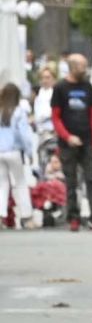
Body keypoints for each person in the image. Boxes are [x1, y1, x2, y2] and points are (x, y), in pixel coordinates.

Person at [51, 54, 92, 232]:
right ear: (72, 66)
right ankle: (73, 216)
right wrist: (67, 137)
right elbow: (56, 117)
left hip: (87, 141)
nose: (85, 69)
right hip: (68, 144)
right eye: (82, 66)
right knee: (71, 181)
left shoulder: (87, 86)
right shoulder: (60, 87)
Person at [0, 84, 35, 228]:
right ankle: (27, 217)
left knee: (2, 185)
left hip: (0, 152)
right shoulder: (19, 112)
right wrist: (29, 152)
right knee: (20, 183)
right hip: (14, 151)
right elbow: (24, 135)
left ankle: (1, 215)